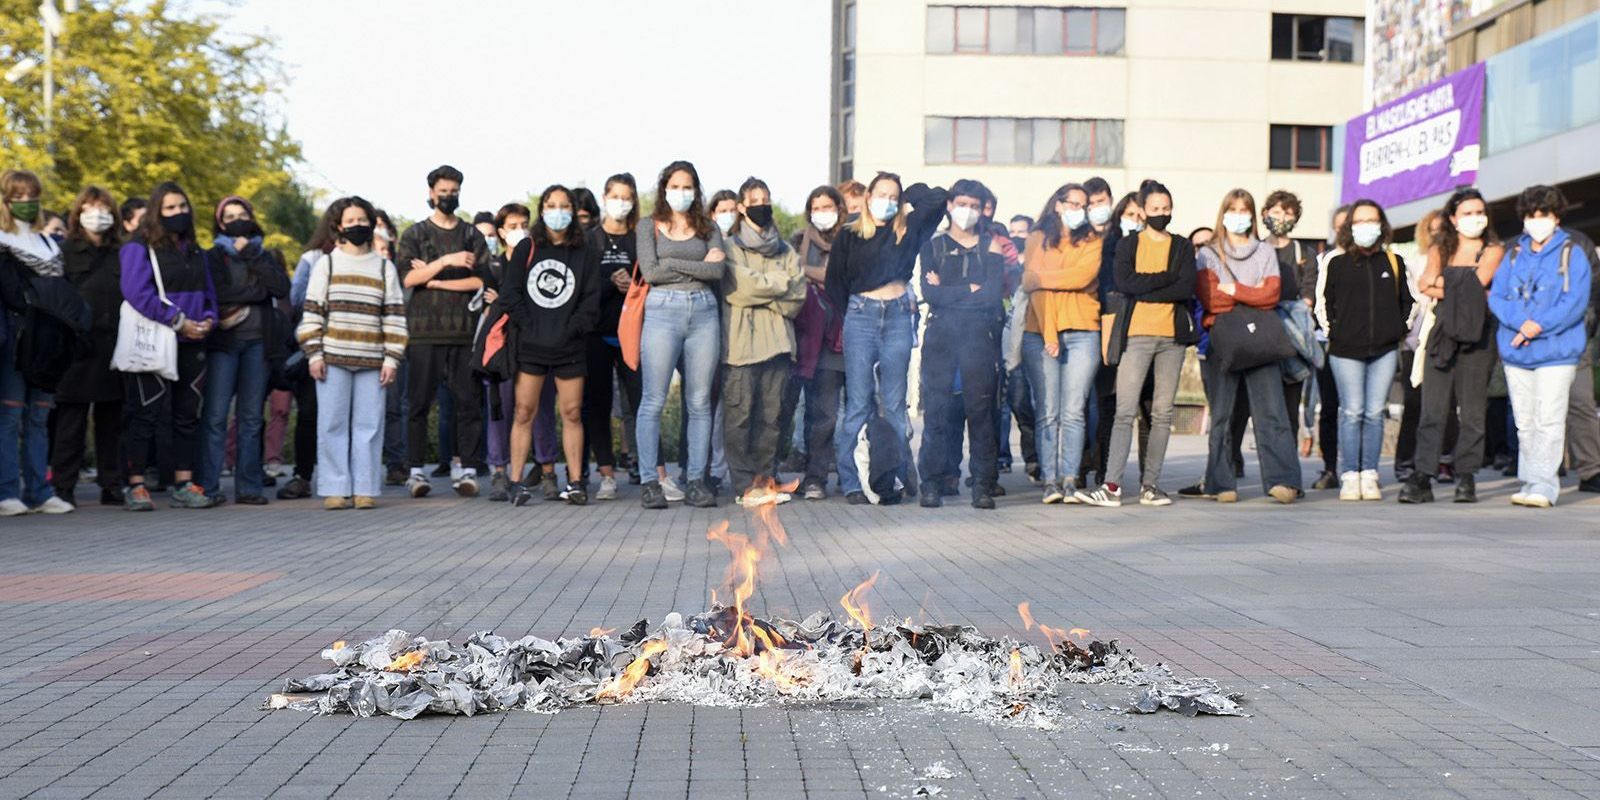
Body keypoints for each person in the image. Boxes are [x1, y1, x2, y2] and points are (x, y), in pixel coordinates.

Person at [826, 173, 948, 504]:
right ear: (868, 197)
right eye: (882, 195)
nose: (888, 202)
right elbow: (834, 282)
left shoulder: (908, 230)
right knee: (859, 402)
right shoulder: (850, 234)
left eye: (893, 197)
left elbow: (939, 198)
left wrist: (907, 199)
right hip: (862, 315)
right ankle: (851, 480)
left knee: (895, 404)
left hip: (897, 315)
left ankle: (893, 475)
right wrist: (850, 315)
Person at [1078, 180, 1197, 507]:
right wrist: (1165, 279)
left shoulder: (1182, 247)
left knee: (1161, 412)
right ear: (1143, 210)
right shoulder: (1129, 245)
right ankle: (1112, 485)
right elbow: (1125, 283)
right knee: (1124, 411)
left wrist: (1149, 287)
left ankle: (1151, 484)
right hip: (1136, 335)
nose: (1161, 214)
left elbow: (1185, 287)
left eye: (1166, 209)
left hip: (1172, 338)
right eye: (1155, 209)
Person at [296, 196, 407, 510]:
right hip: (333, 357)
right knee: (331, 423)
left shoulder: (385, 267)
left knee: (369, 426)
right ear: (338, 226)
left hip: (373, 360)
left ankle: (364, 487)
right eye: (351, 220)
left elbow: (395, 315)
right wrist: (314, 354)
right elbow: (312, 312)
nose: (357, 225)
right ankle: (334, 487)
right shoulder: (326, 264)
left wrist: (392, 358)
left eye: (363, 220)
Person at [1486, 185, 1591, 507]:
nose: (1536, 221)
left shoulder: (1571, 251)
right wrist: (1522, 324)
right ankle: (1530, 478)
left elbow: (1574, 301)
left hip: (1556, 351)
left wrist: (1537, 325)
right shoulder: (1514, 252)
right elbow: (1498, 296)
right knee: (1525, 420)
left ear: (1555, 217)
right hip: (1518, 351)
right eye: (1531, 215)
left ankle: (1546, 484)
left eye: (1543, 214)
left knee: (1549, 418)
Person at [118, 181, 220, 511]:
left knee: (187, 414)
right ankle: (135, 486)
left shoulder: (195, 250)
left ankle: (184, 482)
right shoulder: (138, 247)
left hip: (193, 342)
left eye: (182, 206)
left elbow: (209, 293)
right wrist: (178, 321)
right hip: (156, 340)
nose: (178, 212)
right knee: (145, 413)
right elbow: (137, 292)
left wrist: (207, 320)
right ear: (157, 212)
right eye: (170, 208)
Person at [1195, 188, 1300, 504]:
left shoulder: (1265, 251)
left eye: (1244, 210)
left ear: (1253, 215)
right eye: (1233, 209)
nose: (1238, 216)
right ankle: (1220, 482)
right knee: (1223, 414)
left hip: (1261, 339)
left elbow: (1271, 295)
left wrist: (1233, 288)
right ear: (1223, 213)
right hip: (1223, 338)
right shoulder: (1209, 252)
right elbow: (1210, 297)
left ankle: (1283, 480)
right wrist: (1250, 291)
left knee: (1272, 412)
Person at [1400, 188, 1505, 504]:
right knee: (1433, 409)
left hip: (1478, 334)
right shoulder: (1440, 247)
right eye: (1468, 213)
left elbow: (1478, 281)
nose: (1475, 218)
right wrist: (1466, 283)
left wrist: (1447, 283)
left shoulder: (1493, 249)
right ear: (1453, 218)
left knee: (1472, 410)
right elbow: (1424, 283)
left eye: (1479, 212)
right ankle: (1423, 476)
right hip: (1442, 332)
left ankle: (1467, 476)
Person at [497, 185, 600, 506]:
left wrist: (571, 330)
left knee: (571, 413)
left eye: (565, 205)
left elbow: (591, 300)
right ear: (542, 210)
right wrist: (530, 328)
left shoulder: (586, 252)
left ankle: (575, 482)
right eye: (552, 205)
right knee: (523, 411)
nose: (559, 211)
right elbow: (510, 294)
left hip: (570, 346)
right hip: (532, 346)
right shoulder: (527, 246)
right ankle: (515, 482)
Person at [635, 161, 726, 509]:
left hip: (704, 312)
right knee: (653, 399)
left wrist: (673, 263)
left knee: (700, 402)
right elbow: (651, 272)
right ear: (664, 189)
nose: (682, 193)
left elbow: (716, 270)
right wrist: (694, 267)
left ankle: (696, 481)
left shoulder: (709, 227)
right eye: (675, 186)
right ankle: (649, 482)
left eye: (688, 187)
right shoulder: (649, 226)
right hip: (662, 311)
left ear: (697, 190)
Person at [396, 165, 489, 498]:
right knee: (418, 403)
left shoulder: (471, 235)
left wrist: (432, 277)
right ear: (431, 193)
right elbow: (407, 278)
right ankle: (416, 472)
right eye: (443, 191)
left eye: (454, 191)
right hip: (422, 333)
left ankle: (466, 470)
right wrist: (448, 260)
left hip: (463, 332)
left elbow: (481, 279)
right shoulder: (414, 234)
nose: (448, 196)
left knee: (468, 402)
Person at [917, 179, 1007, 509]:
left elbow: (992, 295)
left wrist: (951, 291)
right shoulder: (932, 245)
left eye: (973, 204)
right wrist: (968, 289)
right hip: (941, 339)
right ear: (950, 205)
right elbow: (931, 295)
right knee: (937, 413)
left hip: (980, 340)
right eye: (961, 203)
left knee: (981, 412)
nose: (966, 211)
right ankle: (931, 481)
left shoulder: (992, 247)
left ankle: (983, 482)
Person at [1316, 200, 1412, 501]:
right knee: (1352, 411)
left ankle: (1369, 473)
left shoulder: (1393, 261)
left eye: (1372, 220)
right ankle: (1349, 474)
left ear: (1382, 224)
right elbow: (1323, 303)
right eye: (1360, 221)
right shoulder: (1336, 261)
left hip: (1383, 349)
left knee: (1373, 412)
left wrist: (1399, 329)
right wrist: (1335, 331)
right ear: (1349, 227)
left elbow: (1407, 301)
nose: (1366, 226)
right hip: (1345, 350)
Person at [198, 195, 290, 506]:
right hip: (224, 343)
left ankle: (249, 487)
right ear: (221, 223)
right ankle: (208, 486)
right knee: (215, 415)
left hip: (258, 344)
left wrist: (252, 255)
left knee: (251, 418)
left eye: (243, 214)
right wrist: (256, 293)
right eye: (230, 216)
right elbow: (218, 293)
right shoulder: (212, 256)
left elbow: (279, 288)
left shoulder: (265, 256)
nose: (237, 220)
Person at [720, 177, 806, 504]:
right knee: (740, 418)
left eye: (765, 198)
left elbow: (797, 297)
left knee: (773, 418)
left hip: (779, 346)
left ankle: (765, 481)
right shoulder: (728, 247)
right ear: (742, 207)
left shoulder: (786, 250)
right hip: (740, 347)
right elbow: (739, 289)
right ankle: (744, 487)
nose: (761, 204)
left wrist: (761, 290)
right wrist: (776, 286)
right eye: (754, 199)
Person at [1021, 183, 1101, 504]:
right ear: (1058, 204)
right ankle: (1050, 481)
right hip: (1040, 332)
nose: (1079, 209)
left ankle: (1070, 479)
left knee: (1073, 411)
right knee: (1047, 411)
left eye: (1084, 204)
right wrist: (1050, 333)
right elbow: (1036, 292)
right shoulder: (1037, 239)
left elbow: (1082, 277)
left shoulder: (1092, 241)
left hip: (1083, 330)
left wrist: (1042, 278)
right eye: (1073, 203)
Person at [0, 169, 73, 515]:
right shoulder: (2, 240)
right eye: (18, 195)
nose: (26, 201)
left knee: (39, 417)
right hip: (15, 338)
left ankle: (40, 491)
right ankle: (7, 490)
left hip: (48, 340)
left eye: (32, 195)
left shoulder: (48, 243)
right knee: (11, 416)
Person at [50, 186, 126, 507]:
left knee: (112, 421)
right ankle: (63, 485)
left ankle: (112, 484)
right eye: (90, 207)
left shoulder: (122, 252)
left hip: (114, 344)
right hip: (77, 346)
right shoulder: (65, 252)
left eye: (104, 207)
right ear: (78, 213)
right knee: (71, 421)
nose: (98, 214)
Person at [581, 174, 644, 501]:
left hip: (633, 333)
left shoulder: (639, 239)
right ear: (605, 198)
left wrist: (631, 284)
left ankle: (650, 471)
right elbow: (581, 287)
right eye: (615, 196)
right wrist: (609, 283)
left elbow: (651, 280)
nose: (621, 202)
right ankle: (606, 473)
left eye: (627, 196)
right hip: (596, 333)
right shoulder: (589, 240)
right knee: (598, 404)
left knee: (641, 403)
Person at [791, 185, 847, 500]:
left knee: (863, 411)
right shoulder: (798, 242)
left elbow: (843, 277)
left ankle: (856, 475)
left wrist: (811, 273)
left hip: (851, 332)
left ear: (839, 208)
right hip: (816, 338)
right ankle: (815, 477)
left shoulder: (852, 239)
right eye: (816, 206)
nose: (822, 212)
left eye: (828, 206)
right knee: (821, 414)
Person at [480, 203, 530, 501]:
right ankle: (499, 469)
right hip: (499, 348)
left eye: (524, 224)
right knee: (500, 407)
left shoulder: (535, 262)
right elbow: (492, 304)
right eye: (512, 226)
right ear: (501, 231)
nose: (519, 230)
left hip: (531, 343)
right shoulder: (493, 266)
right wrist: (506, 301)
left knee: (531, 411)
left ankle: (535, 470)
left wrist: (505, 299)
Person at [1308, 205, 1352, 490]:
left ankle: (1357, 467)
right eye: (1340, 226)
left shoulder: (1381, 260)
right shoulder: (1323, 260)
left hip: (1363, 345)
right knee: (1330, 407)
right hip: (1328, 342)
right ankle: (1330, 468)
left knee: (1358, 410)